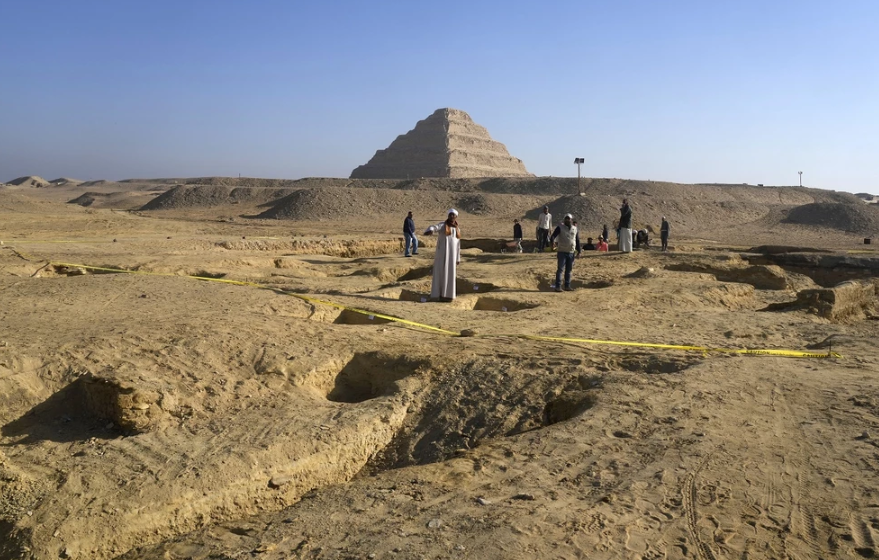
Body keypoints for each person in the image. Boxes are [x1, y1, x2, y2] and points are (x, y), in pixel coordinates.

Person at [424, 209, 462, 301]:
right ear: (448, 216)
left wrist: (457, 258)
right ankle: (437, 295)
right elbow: (434, 227)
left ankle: (448, 296)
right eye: (450, 215)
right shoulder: (443, 225)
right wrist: (431, 230)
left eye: (454, 215)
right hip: (442, 255)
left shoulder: (457, 229)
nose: (452, 216)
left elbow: (458, 245)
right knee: (440, 273)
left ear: (456, 217)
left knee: (450, 274)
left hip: (452, 257)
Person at [549, 213, 579, 292]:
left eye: (568, 219)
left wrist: (579, 250)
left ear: (571, 220)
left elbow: (577, 240)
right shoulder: (560, 227)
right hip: (562, 251)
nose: (567, 220)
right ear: (564, 219)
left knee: (569, 270)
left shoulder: (575, 229)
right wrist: (552, 242)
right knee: (560, 269)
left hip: (571, 252)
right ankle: (558, 286)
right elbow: (553, 236)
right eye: (566, 218)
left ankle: (567, 286)